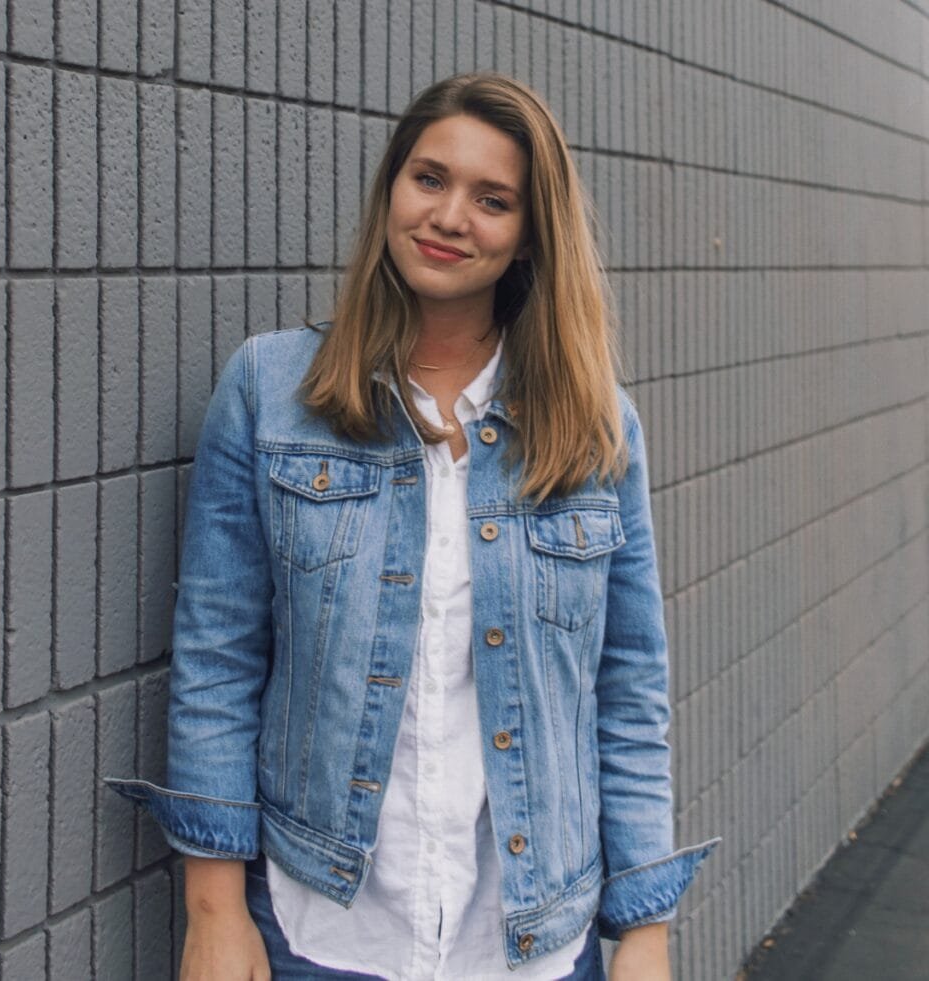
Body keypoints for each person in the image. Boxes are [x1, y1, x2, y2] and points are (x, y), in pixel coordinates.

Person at [107, 72, 718, 980]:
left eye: (493, 199)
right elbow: (218, 657)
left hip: (533, 942)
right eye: (429, 178)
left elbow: (627, 690)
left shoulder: (595, 427)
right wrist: (214, 910)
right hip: (322, 931)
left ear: (530, 234)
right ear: (391, 187)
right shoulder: (272, 391)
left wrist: (646, 929)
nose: (449, 217)